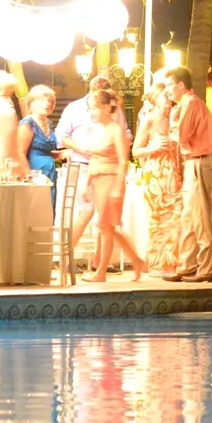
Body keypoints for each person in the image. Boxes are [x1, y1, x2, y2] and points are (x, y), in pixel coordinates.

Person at [56, 75, 133, 255]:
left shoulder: (115, 112)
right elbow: (61, 136)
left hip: (107, 168)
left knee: (104, 216)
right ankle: (65, 256)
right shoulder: (74, 108)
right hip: (83, 164)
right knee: (87, 211)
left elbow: (125, 134)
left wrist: (115, 145)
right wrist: (82, 148)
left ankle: (101, 262)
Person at [80, 89, 146, 282]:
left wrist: (118, 186)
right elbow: (93, 158)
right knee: (108, 227)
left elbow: (123, 160)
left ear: (107, 107)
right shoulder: (96, 130)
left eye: (95, 108)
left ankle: (101, 271)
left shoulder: (116, 130)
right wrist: (87, 184)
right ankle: (136, 259)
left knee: (106, 226)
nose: (92, 112)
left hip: (111, 180)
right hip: (98, 179)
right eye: (90, 108)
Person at [162, 66, 212, 283]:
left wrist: (173, 119)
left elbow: (181, 135)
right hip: (193, 163)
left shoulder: (191, 104)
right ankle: (187, 265)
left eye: (169, 85)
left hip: (199, 162)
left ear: (180, 85)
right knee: (188, 217)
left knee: (200, 216)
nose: (167, 91)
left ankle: (208, 268)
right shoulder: (186, 105)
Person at [132, 78, 183, 277]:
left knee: (176, 216)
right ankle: (157, 262)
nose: (169, 101)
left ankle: (171, 259)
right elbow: (136, 150)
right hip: (156, 174)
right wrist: (153, 147)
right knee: (158, 219)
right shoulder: (150, 120)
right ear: (156, 98)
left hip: (174, 172)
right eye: (166, 97)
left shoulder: (175, 118)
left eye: (170, 97)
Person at [18, 84, 60, 208]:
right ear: (32, 102)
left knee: (49, 208)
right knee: (37, 210)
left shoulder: (49, 124)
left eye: (50, 101)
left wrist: (63, 153)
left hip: (49, 174)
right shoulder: (27, 123)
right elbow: (20, 153)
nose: (47, 103)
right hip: (34, 174)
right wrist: (30, 178)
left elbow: (45, 152)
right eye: (42, 100)